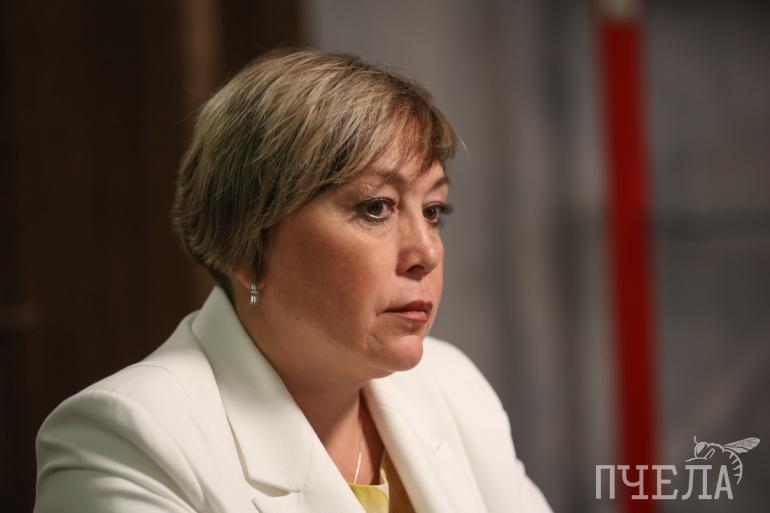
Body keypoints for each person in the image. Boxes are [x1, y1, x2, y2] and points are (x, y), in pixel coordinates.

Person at [34, 49, 552, 513]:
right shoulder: (126, 443)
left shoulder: (451, 383)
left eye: (434, 210)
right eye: (376, 208)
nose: (427, 252)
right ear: (249, 245)